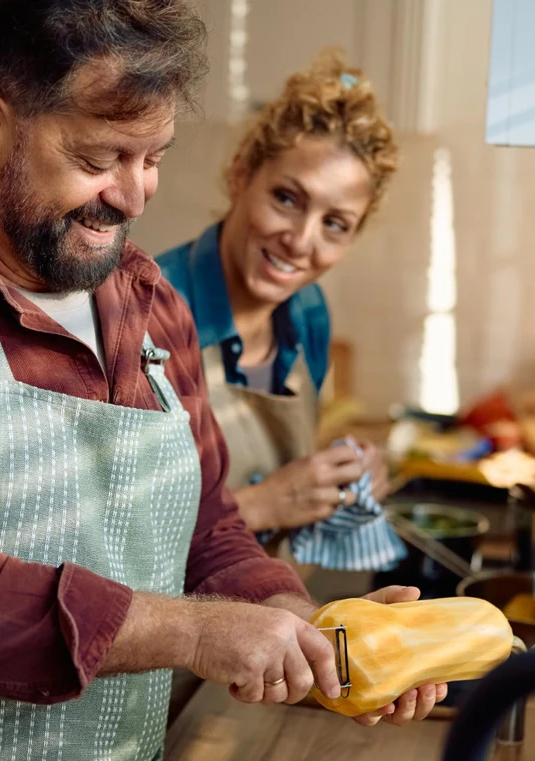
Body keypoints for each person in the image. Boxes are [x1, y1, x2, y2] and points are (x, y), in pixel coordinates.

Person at [0, 3, 441, 761]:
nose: (134, 196)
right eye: (101, 157)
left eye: (152, 158)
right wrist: (193, 630)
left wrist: (317, 638)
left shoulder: (151, 307)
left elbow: (207, 527)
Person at [157, 53, 399, 553]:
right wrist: (265, 503)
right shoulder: (147, 308)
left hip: (272, 607)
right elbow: (105, 531)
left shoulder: (308, 313)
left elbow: (283, 458)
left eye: (335, 224)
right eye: (287, 198)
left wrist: (343, 474)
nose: (300, 241)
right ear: (240, 176)